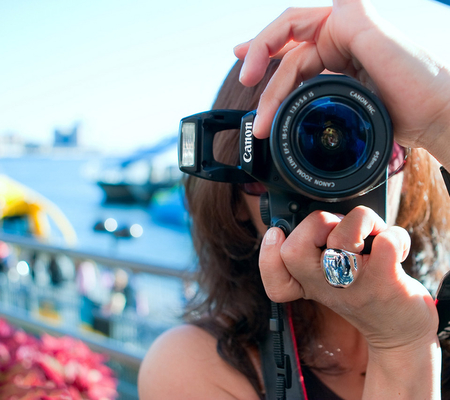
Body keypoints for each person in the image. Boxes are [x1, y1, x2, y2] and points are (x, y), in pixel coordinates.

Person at [138, 0, 450, 398]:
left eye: (358, 135)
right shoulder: (190, 365)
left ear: (405, 158)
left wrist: (441, 117)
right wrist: (401, 346)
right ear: (234, 198)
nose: (326, 183)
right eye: (281, 155)